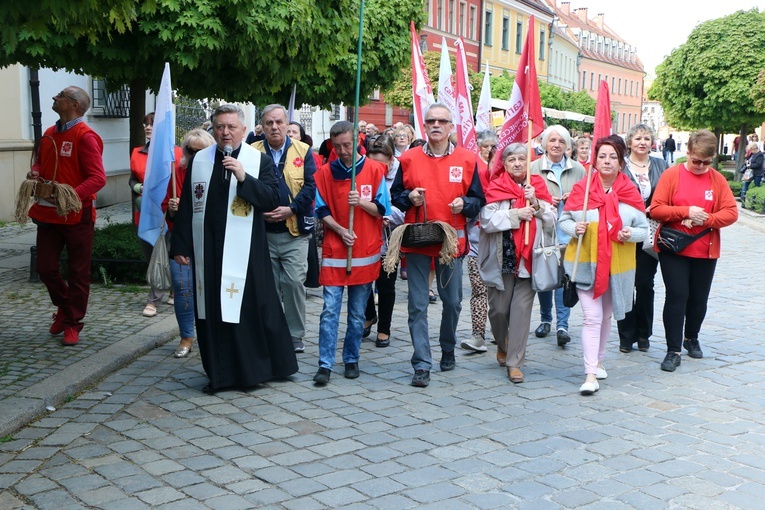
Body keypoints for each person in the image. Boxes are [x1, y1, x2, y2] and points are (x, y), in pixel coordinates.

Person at [170, 104, 298, 392]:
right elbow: (189, 206)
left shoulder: (257, 161)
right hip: (208, 254)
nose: (225, 132)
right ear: (213, 129)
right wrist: (180, 245)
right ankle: (220, 373)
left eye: (231, 127)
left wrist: (243, 176)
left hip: (247, 255)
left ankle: (250, 371)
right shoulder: (200, 161)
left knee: (247, 310)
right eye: (219, 127)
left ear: (242, 130)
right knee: (212, 311)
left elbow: (272, 199)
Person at [390, 103, 486, 388]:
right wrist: (410, 198)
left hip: (451, 243)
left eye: (441, 121)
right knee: (417, 305)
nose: (435, 125)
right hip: (418, 241)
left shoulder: (468, 159)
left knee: (453, 303)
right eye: (430, 120)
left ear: (450, 127)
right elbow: (395, 195)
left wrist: (464, 204)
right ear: (425, 124)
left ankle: (447, 345)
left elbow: (478, 201)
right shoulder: (408, 159)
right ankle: (421, 363)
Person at [560, 135, 648, 395]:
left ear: (621, 162)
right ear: (594, 160)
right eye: (602, 156)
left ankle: (598, 362)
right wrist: (574, 228)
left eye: (613, 157)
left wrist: (629, 234)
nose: (607, 161)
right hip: (586, 265)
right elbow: (564, 220)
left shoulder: (630, 193)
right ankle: (589, 375)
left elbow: (644, 231)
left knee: (607, 316)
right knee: (592, 317)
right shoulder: (582, 190)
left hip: (618, 268)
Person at [650, 129, 738, 372]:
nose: (700, 166)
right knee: (677, 296)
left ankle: (691, 337)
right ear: (687, 153)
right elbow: (656, 209)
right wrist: (685, 211)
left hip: (704, 249)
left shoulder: (717, 180)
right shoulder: (672, 175)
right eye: (696, 160)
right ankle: (673, 349)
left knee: (699, 299)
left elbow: (731, 213)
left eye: (706, 162)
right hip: (674, 248)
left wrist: (705, 219)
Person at [27, 86, 107, 346]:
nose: (54, 97)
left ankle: (73, 323)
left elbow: (98, 178)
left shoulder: (85, 136)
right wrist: (36, 172)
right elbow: (40, 161)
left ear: (73, 104)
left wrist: (70, 195)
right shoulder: (50, 133)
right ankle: (64, 307)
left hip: (77, 216)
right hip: (49, 215)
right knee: (45, 268)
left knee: (78, 273)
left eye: (60, 95)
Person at [312, 121, 391, 384]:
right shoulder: (324, 173)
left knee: (358, 313)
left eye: (347, 145)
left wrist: (362, 203)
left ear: (357, 141)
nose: (343, 151)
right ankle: (325, 364)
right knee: (330, 311)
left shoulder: (375, 170)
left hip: (364, 251)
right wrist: (339, 229)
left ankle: (351, 358)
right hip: (336, 252)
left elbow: (383, 210)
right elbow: (321, 210)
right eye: (337, 146)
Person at [479, 144, 555, 382]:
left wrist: (536, 204)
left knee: (521, 312)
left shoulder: (538, 185)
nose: (518, 163)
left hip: (529, 260)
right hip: (502, 258)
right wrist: (515, 215)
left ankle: (515, 362)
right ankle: (503, 343)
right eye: (512, 159)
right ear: (505, 163)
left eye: (522, 159)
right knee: (499, 311)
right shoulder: (496, 186)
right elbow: (486, 220)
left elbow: (552, 219)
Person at [252, 104, 317, 353]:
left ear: (286, 123)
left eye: (279, 122)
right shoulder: (251, 151)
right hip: (262, 232)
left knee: (292, 283)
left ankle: (295, 334)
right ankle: (269, 332)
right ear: (263, 126)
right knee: (266, 284)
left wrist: (291, 209)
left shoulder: (303, 150)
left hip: (294, 231)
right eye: (269, 123)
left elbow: (311, 187)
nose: (275, 127)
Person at [530, 125, 587, 347]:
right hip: (543, 232)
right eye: (552, 140)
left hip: (567, 233)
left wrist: (572, 196)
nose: (556, 145)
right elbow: (525, 196)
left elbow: (586, 197)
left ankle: (562, 325)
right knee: (545, 278)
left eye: (561, 141)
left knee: (565, 279)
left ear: (567, 146)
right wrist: (544, 201)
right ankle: (545, 319)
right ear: (544, 144)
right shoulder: (533, 167)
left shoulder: (578, 169)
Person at [616, 124, 669, 353]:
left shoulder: (661, 164)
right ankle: (626, 336)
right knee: (625, 284)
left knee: (645, 284)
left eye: (647, 138)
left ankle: (644, 333)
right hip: (625, 232)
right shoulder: (620, 166)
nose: (642, 142)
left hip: (650, 232)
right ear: (629, 142)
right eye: (638, 138)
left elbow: (669, 193)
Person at [166, 128, 216, 358]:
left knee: (211, 290)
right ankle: (186, 336)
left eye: (201, 150)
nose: (194, 154)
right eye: (190, 150)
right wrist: (172, 209)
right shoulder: (178, 171)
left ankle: (213, 335)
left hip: (211, 240)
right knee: (183, 287)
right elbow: (166, 207)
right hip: (183, 240)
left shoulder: (219, 171)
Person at [129, 112, 183, 318]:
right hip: (145, 211)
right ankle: (170, 289)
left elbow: (179, 180)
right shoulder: (138, 152)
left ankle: (154, 299)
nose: (148, 127)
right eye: (146, 124)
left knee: (166, 253)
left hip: (167, 211)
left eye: (152, 124)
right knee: (151, 254)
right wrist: (138, 187)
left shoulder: (176, 153)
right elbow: (132, 178)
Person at [362, 136, 405, 348]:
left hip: (390, 237)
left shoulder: (399, 175)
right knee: (362, 281)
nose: (378, 168)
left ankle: (384, 329)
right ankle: (369, 315)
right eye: (373, 163)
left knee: (386, 284)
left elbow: (404, 208)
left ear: (391, 161)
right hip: (366, 234)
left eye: (382, 164)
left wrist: (386, 214)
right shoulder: (363, 171)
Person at [461, 129, 497, 353]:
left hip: (502, 248)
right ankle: (477, 335)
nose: (491, 153)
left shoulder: (511, 183)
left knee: (500, 295)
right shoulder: (474, 177)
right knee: (479, 290)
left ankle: (501, 331)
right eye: (487, 148)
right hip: (476, 243)